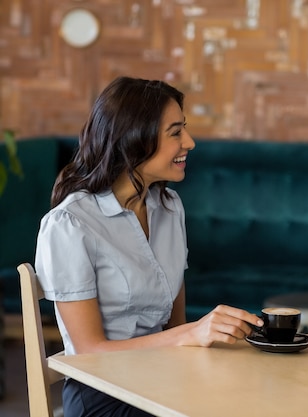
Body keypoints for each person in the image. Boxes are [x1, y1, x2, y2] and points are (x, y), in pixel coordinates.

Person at [34, 76, 263, 417]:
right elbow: (89, 351)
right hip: (102, 393)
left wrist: (200, 339)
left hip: (163, 379)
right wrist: (191, 334)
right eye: (175, 132)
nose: (190, 142)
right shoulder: (70, 224)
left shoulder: (170, 208)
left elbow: (174, 326)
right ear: (134, 140)